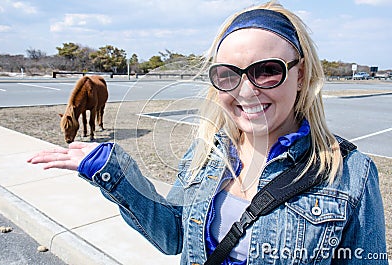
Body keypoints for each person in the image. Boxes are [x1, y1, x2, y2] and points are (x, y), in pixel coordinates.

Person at [28, 1, 388, 264]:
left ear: (302, 74)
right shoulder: (207, 153)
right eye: (228, 74)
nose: (246, 91)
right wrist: (115, 172)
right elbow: (174, 236)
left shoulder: (351, 174)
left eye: (267, 70)